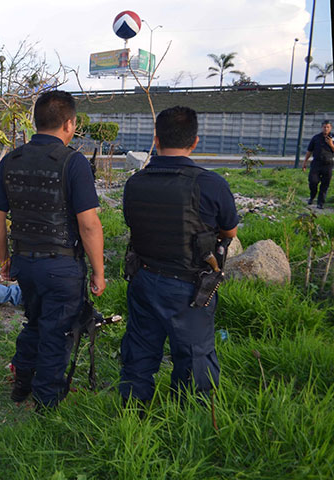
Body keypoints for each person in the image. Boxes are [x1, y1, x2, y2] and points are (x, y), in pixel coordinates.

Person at [0, 90, 106, 410]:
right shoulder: (73, 162)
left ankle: (22, 383)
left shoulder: (10, 160)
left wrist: (4, 260)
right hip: (61, 266)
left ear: (35, 121)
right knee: (59, 331)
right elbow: (89, 225)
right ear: (69, 124)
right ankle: (46, 402)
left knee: (35, 322)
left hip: (25, 262)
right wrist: (99, 272)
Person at [119, 106, 239, 406]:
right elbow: (230, 231)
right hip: (190, 288)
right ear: (195, 142)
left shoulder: (135, 183)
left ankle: (132, 413)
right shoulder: (211, 184)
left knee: (139, 352)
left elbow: (132, 223)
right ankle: (189, 418)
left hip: (144, 278)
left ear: (156, 140)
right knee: (195, 358)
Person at [302, 120, 334, 209]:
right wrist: (304, 162)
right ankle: (312, 196)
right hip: (316, 163)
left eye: (328, 127)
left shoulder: (332, 138)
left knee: (325, 184)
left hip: (328, 164)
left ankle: (320, 203)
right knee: (313, 181)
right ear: (321, 127)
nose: (326, 129)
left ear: (330, 128)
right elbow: (309, 151)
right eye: (324, 127)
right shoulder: (316, 138)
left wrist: (331, 144)